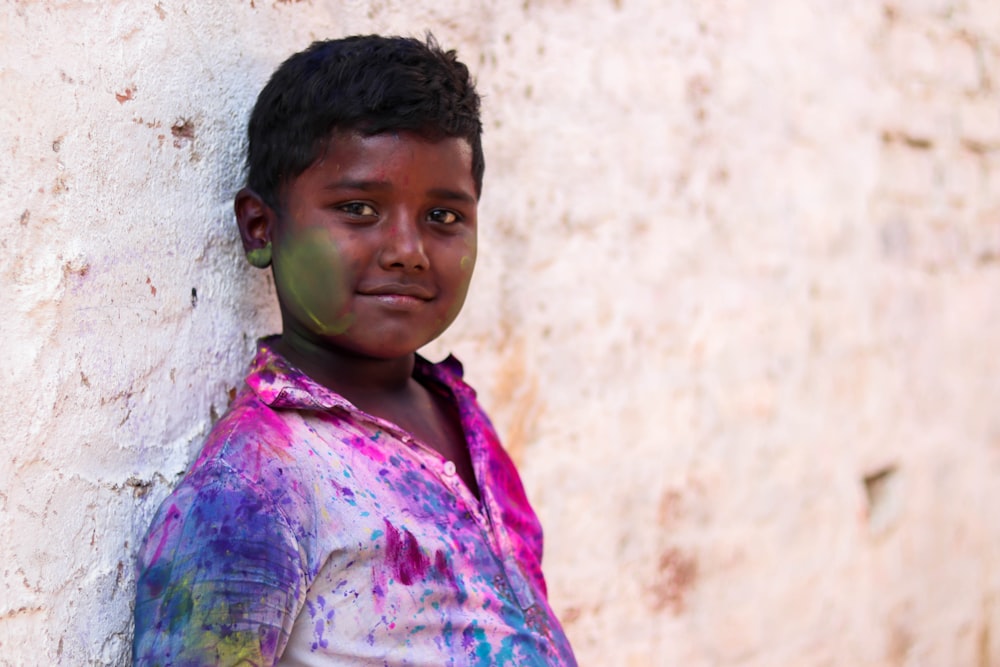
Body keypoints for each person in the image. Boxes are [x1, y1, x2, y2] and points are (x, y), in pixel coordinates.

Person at [132, 34, 578, 666]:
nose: (407, 249)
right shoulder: (258, 484)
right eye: (359, 209)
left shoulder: (458, 413)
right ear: (261, 228)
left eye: (443, 217)